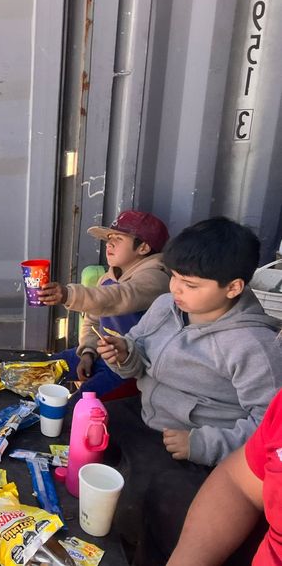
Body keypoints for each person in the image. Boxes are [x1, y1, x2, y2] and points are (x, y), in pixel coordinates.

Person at [96, 216, 282, 565]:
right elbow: (138, 356)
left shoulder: (254, 346)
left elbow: (268, 429)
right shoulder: (167, 307)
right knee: (84, 423)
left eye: (191, 285)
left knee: (151, 501)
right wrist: (124, 354)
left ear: (233, 287)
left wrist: (202, 443)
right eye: (175, 278)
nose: (177, 290)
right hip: (146, 413)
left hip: (198, 447)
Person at [38, 210, 170, 402]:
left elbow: (119, 298)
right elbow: (92, 320)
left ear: (143, 247)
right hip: (100, 356)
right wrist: (87, 353)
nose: (109, 243)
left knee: (77, 406)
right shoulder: (108, 278)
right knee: (40, 368)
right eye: (109, 238)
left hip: (129, 369)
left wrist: (68, 294)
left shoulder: (156, 278)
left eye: (118, 238)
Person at [168, 353, 282, 565]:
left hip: (191, 442)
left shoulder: (255, 349)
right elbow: (239, 483)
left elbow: (258, 418)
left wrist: (203, 443)